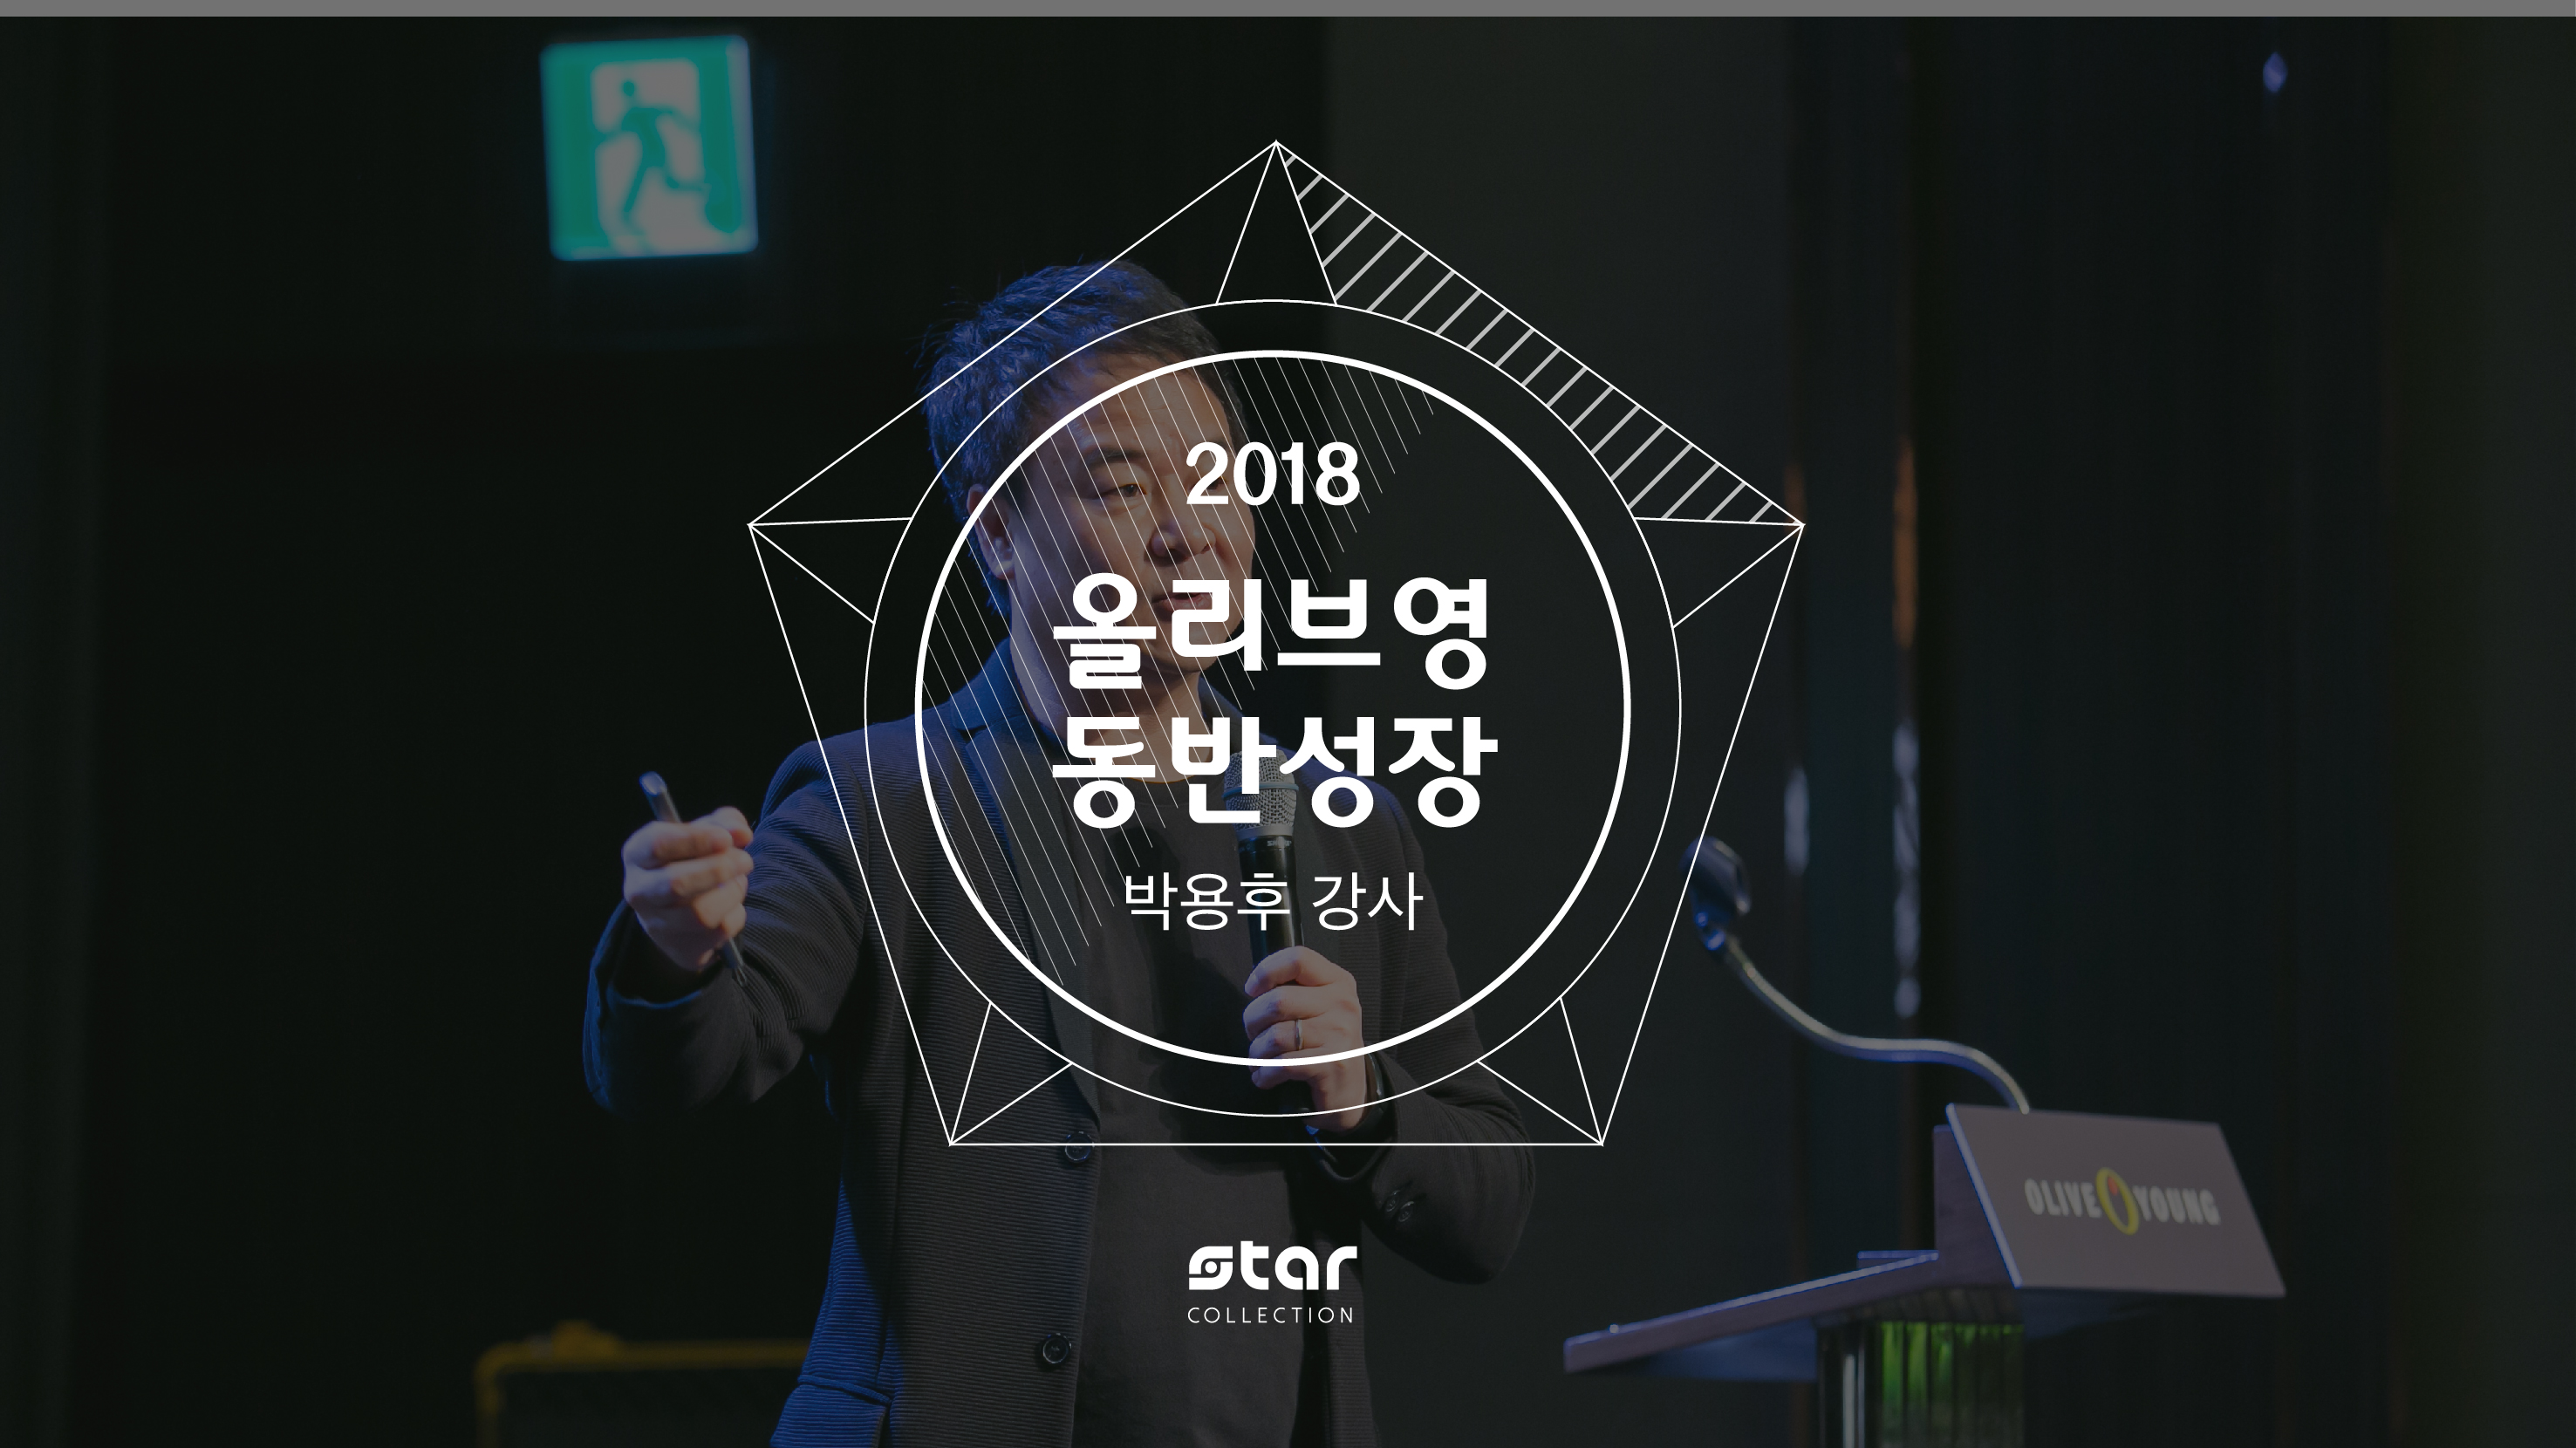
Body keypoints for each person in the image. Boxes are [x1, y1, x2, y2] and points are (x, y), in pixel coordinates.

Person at [584, 261, 1534, 1447]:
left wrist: (1364, 1104)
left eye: (1217, 478)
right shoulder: (883, 800)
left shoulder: (1342, 822)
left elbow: (1487, 1209)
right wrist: (674, 956)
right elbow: (695, 1067)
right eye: (1124, 486)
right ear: (997, 532)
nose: (1190, 533)